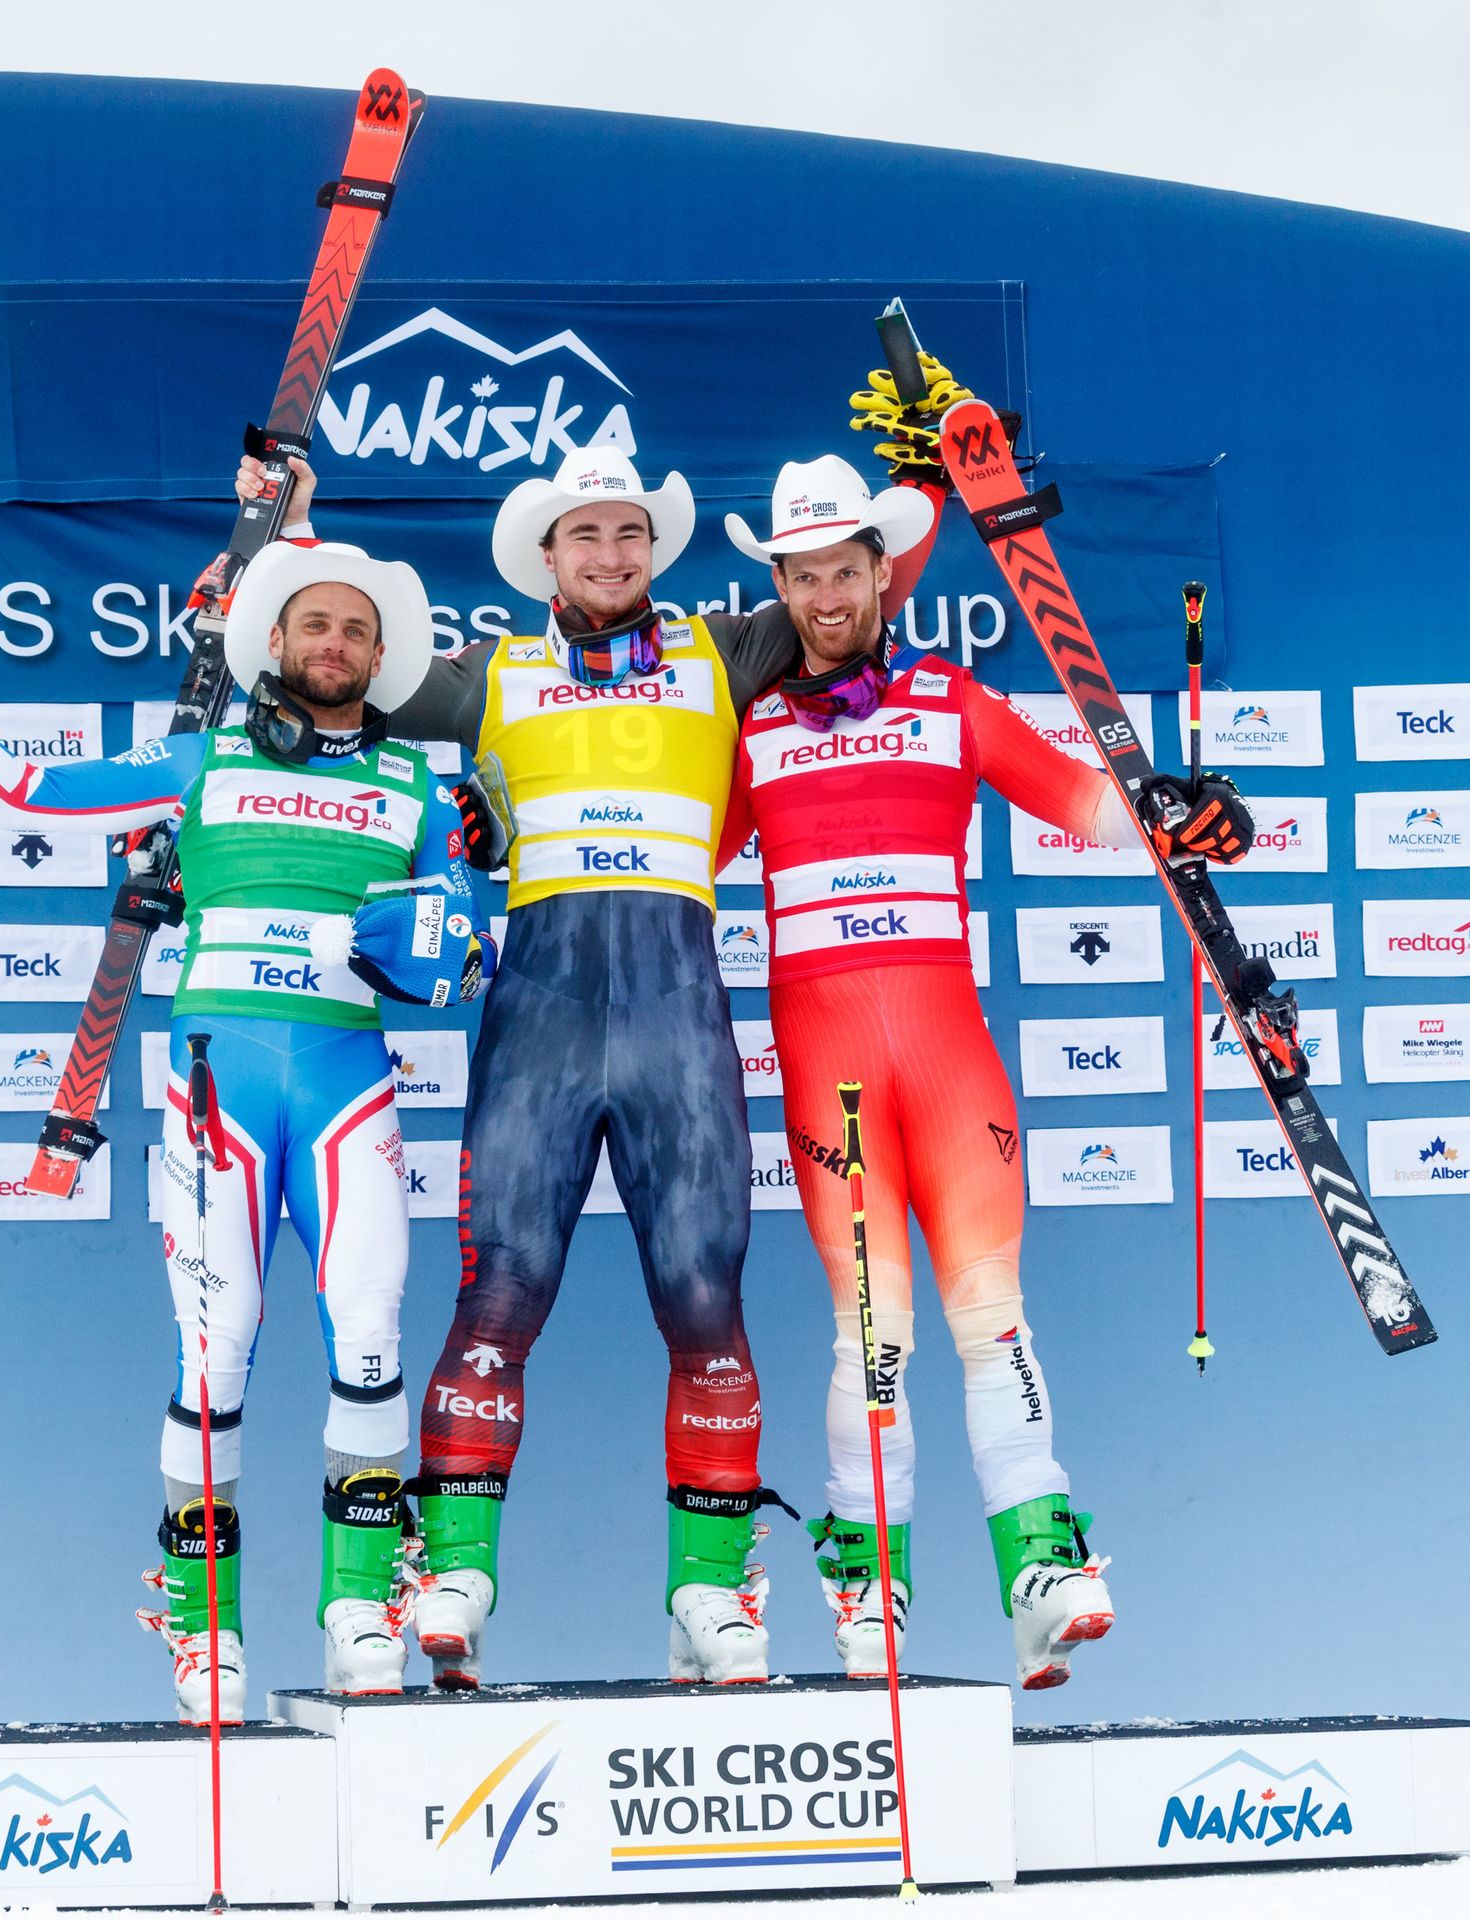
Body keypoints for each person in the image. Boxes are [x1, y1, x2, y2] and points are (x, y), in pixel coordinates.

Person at [249, 362, 947, 1687]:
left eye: (632, 532)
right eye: (588, 534)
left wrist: (932, 466)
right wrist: (275, 534)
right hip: (544, 1012)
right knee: (502, 1288)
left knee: (703, 1296)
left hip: (678, 1012)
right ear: (545, 557)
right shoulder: (489, 670)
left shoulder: (727, 649)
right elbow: (325, 670)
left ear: (655, 549)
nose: (613, 551)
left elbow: (853, 585)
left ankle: (707, 1590)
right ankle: (449, 1571)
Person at [0, 539, 496, 1719]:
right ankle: (206, 1631)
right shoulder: (199, 761)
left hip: (349, 1083)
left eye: (357, 630)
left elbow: (459, 943)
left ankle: (360, 1610)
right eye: (315, 625)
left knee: (370, 1333)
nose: (335, 644)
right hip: (218, 1088)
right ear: (275, 644)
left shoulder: (420, 787)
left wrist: (457, 921)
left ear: (382, 654)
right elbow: (25, 793)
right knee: (218, 1354)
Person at [714, 444, 1253, 1689]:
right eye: (798, 578)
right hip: (830, 1070)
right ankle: (870, 1602)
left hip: (949, 1063)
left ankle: (1042, 1572)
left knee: (991, 1317)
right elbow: (661, 853)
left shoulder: (951, 699)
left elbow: (1086, 802)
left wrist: (1183, 814)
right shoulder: (746, 732)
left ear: (882, 574)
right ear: (783, 589)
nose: (823, 597)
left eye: (842, 571)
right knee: (875, 1340)